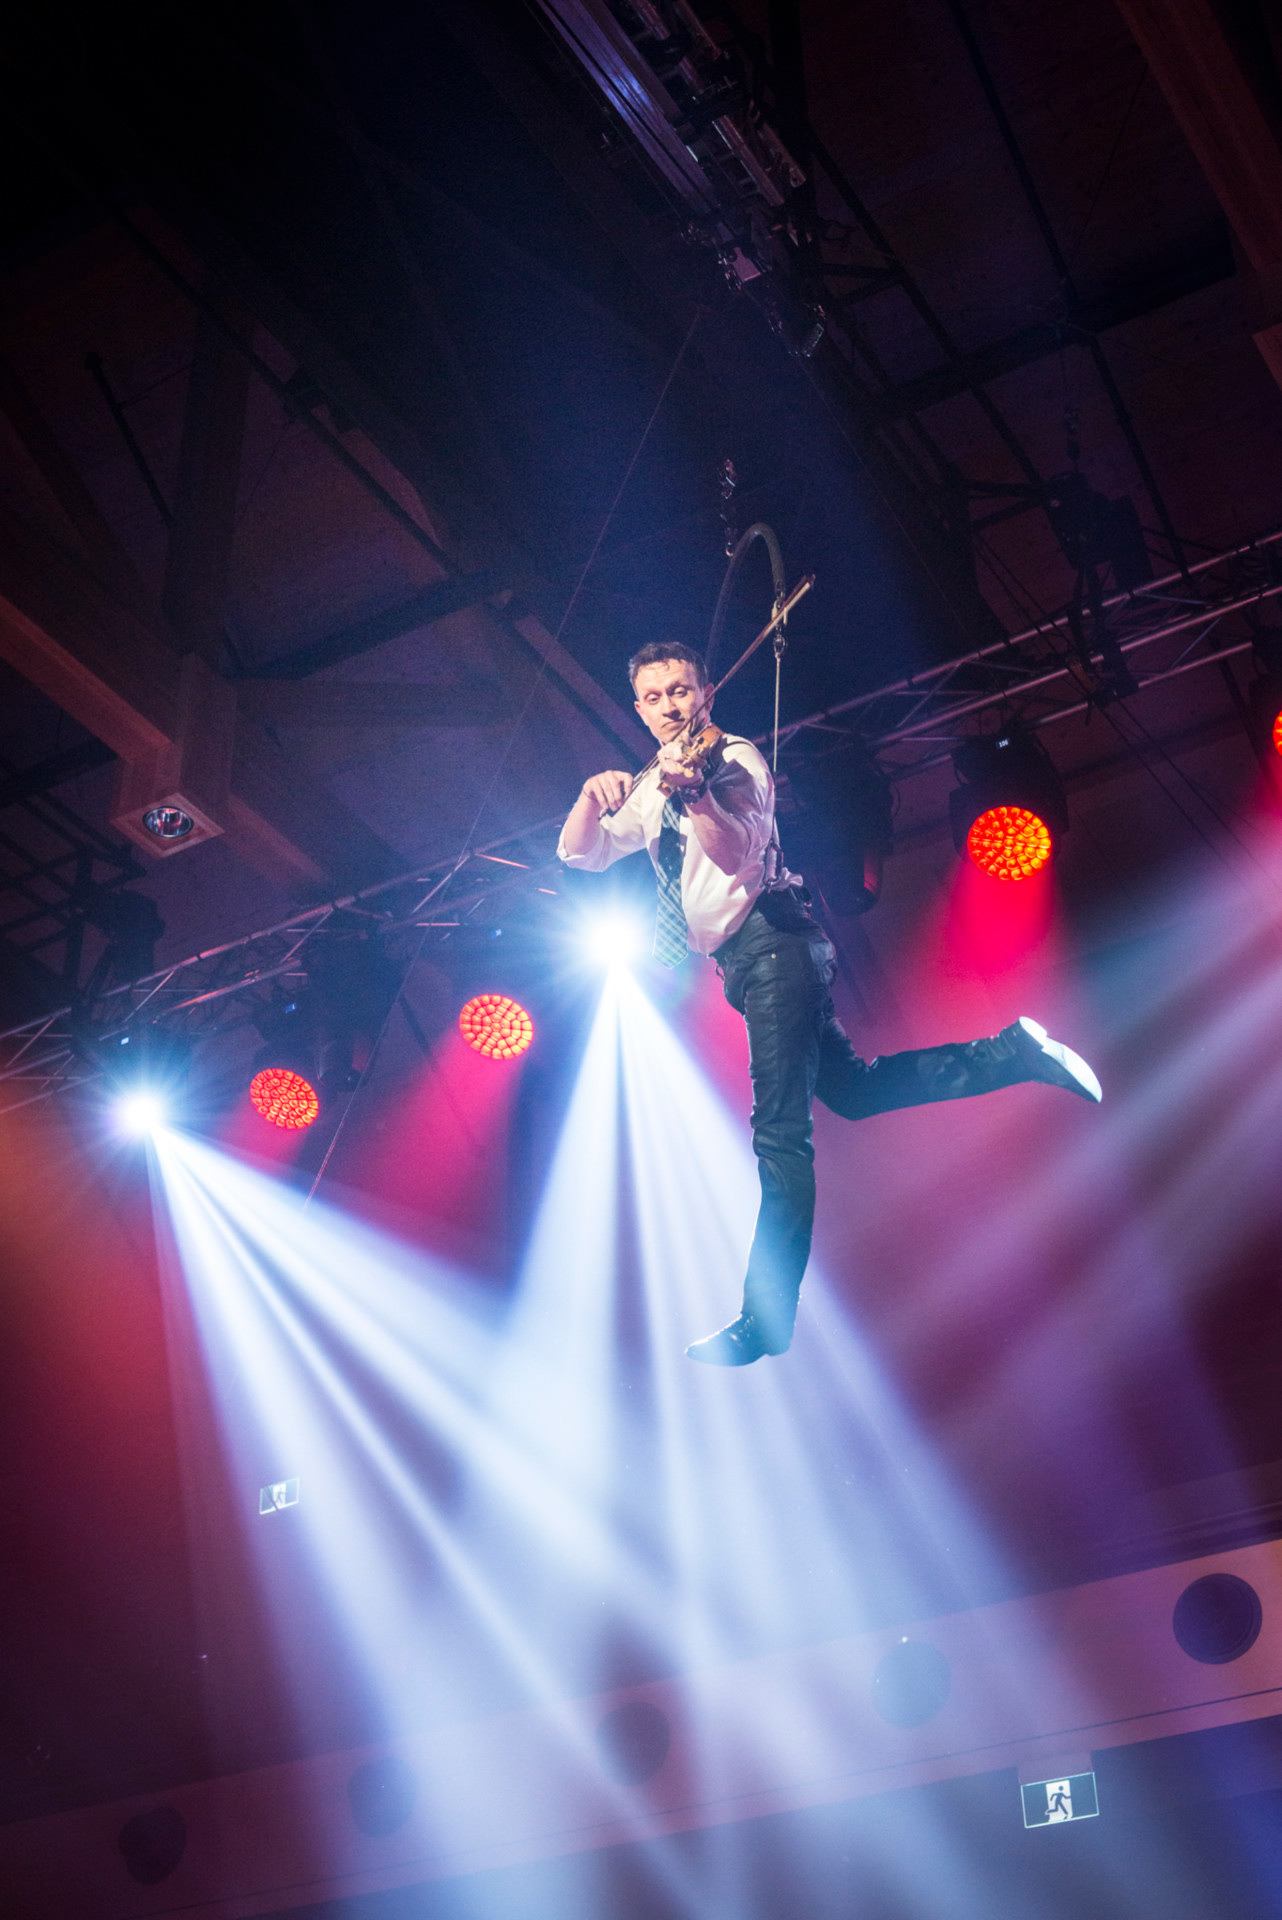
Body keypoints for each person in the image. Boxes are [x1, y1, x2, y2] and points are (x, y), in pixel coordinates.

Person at [557, 644, 1101, 1368]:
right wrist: (589, 798)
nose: (669, 706)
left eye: (681, 690)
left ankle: (764, 1319)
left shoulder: (733, 763)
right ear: (639, 709)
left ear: (706, 692)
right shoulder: (657, 778)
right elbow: (581, 855)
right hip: (745, 965)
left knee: (779, 1134)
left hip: (775, 946)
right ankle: (1013, 1052)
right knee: (855, 1091)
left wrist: (699, 797)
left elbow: (732, 855)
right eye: (654, 698)